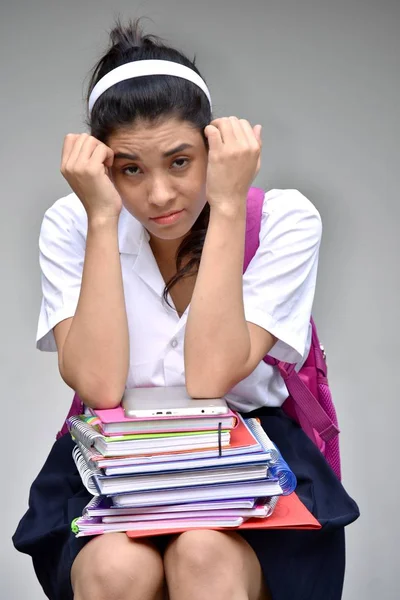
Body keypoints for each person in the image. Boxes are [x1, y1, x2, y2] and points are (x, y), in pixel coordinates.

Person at [13, 17, 359, 600]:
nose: (160, 195)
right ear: (104, 168)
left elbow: (211, 375)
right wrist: (100, 216)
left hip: (250, 462)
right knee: (113, 571)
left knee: (203, 553)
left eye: (180, 161)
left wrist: (225, 203)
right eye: (130, 169)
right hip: (120, 465)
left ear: (212, 147)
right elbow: (98, 384)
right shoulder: (73, 222)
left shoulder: (283, 220)